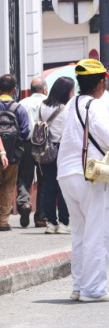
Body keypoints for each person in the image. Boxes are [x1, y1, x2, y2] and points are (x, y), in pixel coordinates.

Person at [57, 59, 109, 302]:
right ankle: (93, 290)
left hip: (67, 174)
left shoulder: (71, 104)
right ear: (102, 82)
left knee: (79, 233)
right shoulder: (95, 106)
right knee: (97, 231)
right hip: (89, 176)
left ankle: (79, 285)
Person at [38, 77, 75, 234]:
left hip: (45, 150)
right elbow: (68, 131)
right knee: (63, 187)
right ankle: (63, 223)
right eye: (72, 90)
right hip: (61, 149)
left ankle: (50, 223)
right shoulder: (64, 109)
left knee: (49, 187)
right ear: (66, 91)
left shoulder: (43, 105)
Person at [0, 74, 30, 232]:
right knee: (8, 186)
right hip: (12, 155)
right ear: (13, 89)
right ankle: (3, 221)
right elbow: (25, 132)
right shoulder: (19, 108)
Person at [16, 78, 47, 227]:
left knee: (24, 176)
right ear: (44, 89)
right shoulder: (49, 103)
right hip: (44, 146)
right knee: (44, 179)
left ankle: (24, 203)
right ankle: (41, 217)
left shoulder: (22, 103)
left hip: (27, 144)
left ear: (31, 90)